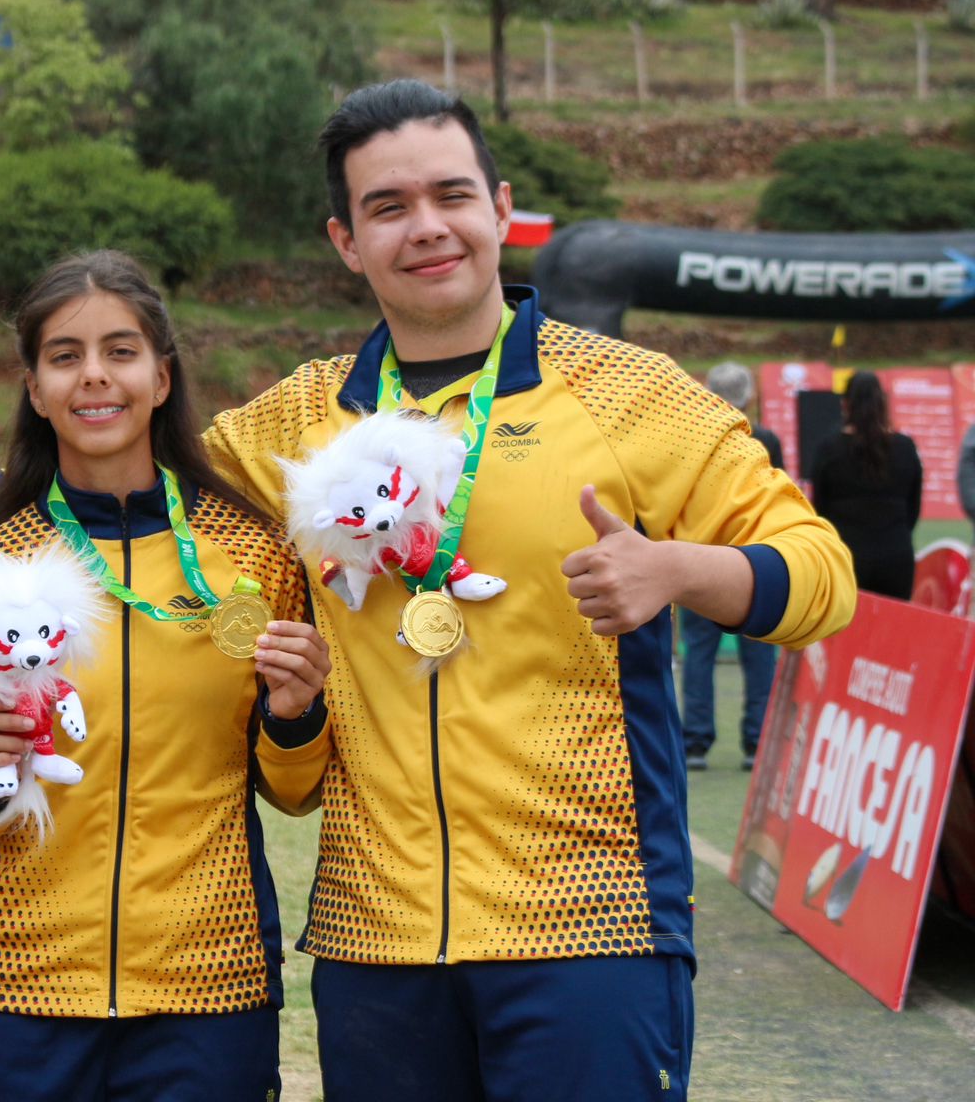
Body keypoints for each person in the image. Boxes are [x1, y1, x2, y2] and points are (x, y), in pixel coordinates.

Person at [200, 80, 858, 1101]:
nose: (426, 227)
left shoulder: (629, 393)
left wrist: (676, 570)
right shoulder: (295, 421)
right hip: (374, 946)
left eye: (450, 195)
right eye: (387, 207)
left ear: (500, 210)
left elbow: (822, 576)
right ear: (344, 240)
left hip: (589, 926)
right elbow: (118, 488)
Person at [0, 250, 331, 1102]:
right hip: (14, 979)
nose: (93, 376)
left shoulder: (251, 549)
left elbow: (291, 792)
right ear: (34, 388)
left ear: (161, 376)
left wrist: (295, 717)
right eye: (64, 356)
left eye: (120, 350)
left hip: (207, 985)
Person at [679, 361, 787, 772]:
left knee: (700, 653)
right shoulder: (766, 440)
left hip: (701, 559)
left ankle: (696, 742)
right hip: (755, 561)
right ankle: (756, 742)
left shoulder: (692, 437)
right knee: (758, 652)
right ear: (750, 397)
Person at [810, 369, 921, 601]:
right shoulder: (905, 447)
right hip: (896, 553)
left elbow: (818, 507)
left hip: (845, 555)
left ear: (845, 405)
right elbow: (914, 507)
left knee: (846, 632)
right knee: (893, 630)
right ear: (882, 403)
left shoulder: (829, 448)